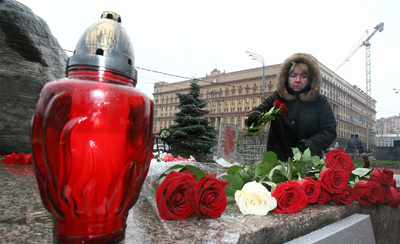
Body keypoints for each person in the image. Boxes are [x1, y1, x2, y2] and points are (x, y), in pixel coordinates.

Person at [246, 53, 336, 161]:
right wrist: (254, 118)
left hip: (308, 164)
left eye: (303, 76)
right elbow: (259, 111)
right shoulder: (277, 97)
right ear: (286, 78)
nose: (298, 80)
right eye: (293, 76)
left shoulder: (320, 102)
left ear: (310, 79)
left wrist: (308, 146)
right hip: (277, 163)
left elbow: (329, 131)